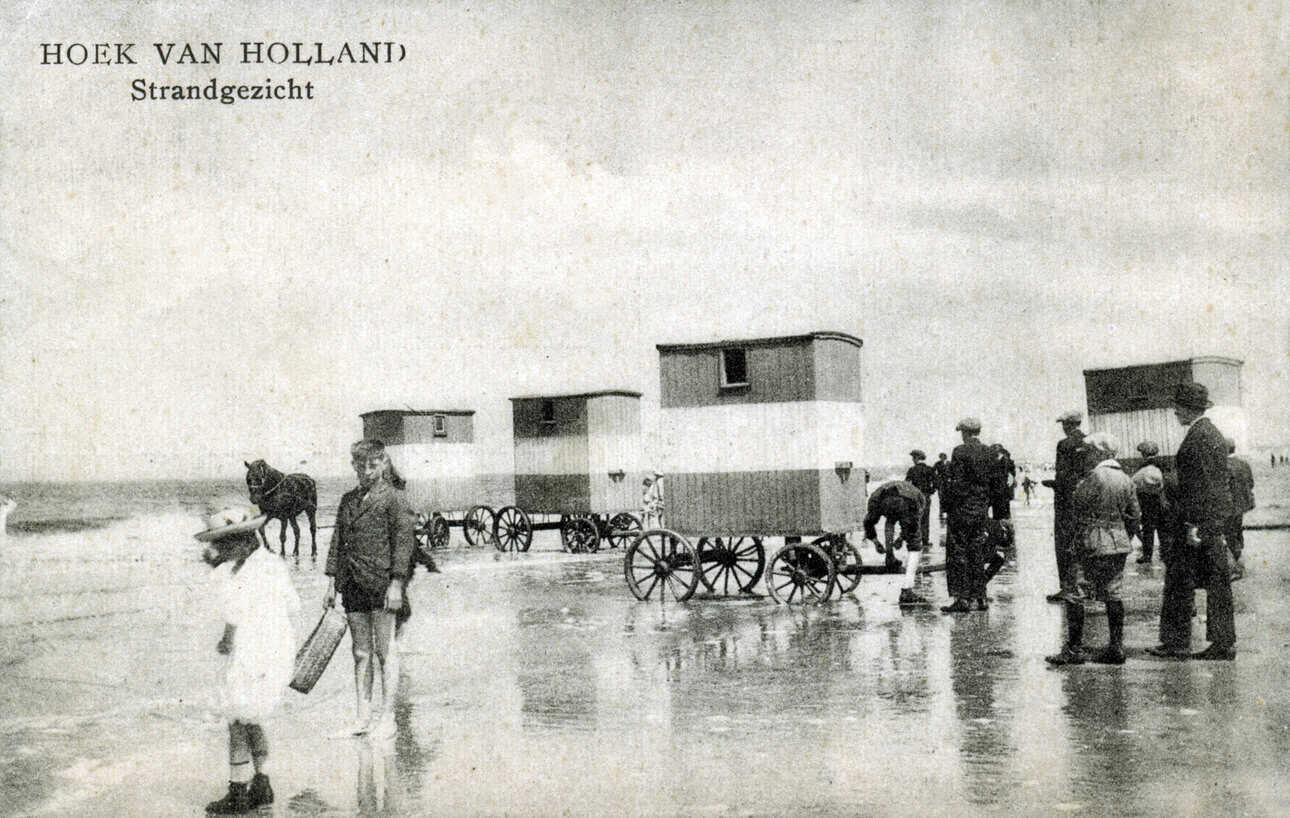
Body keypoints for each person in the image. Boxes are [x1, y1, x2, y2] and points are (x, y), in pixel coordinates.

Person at [196, 501, 300, 815]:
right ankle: (263, 782)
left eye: (221, 545)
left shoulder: (238, 573)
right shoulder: (270, 563)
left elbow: (234, 615)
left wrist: (225, 641)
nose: (218, 551)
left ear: (239, 541)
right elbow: (293, 606)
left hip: (252, 653)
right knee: (253, 718)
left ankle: (238, 790)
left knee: (237, 722)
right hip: (276, 651)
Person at [324, 439, 417, 737]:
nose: (366, 470)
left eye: (373, 464)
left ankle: (388, 718)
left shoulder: (394, 498)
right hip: (352, 584)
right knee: (360, 653)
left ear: (383, 463)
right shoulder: (347, 500)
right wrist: (331, 583)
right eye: (360, 464)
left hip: (382, 584)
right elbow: (337, 543)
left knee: (385, 652)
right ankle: (363, 718)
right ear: (353, 465)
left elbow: (403, 544)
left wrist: (396, 584)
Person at [1147, 382, 1236, 661]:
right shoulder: (1208, 433)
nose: (1175, 412)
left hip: (1196, 523)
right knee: (1214, 581)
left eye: (1177, 407)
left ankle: (1180, 642)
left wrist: (1196, 525)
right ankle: (1218, 642)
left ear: (1187, 408)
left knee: (1181, 580)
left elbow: (1205, 486)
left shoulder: (1200, 437)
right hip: (1204, 521)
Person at [1046, 433, 1140, 666]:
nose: (1085, 457)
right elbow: (1134, 515)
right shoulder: (1125, 478)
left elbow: (1077, 507)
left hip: (1090, 540)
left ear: (1100, 453)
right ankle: (1116, 648)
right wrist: (1122, 535)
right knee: (1113, 593)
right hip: (1117, 542)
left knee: (1075, 592)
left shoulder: (1094, 477)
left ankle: (1074, 649)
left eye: (1088, 453)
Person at [941, 417, 1011, 613]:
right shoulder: (990, 452)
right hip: (981, 510)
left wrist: (949, 507)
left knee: (958, 553)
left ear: (964, 432)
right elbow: (998, 486)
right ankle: (980, 598)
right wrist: (998, 515)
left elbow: (956, 483)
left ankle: (961, 599)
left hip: (962, 510)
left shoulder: (959, 451)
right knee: (977, 552)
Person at [862, 479, 930, 607]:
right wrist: (902, 538)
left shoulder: (879, 491)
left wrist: (876, 542)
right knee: (915, 545)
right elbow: (913, 523)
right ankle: (907, 589)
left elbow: (868, 522)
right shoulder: (918, 495)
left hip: (880, 498)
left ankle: (889, 556)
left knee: (890, 519)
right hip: (906, 501)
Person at [1042, 411, 1086, 603]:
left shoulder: (1065, 444)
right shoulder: (1089, 442)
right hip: (1085, 499)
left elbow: (1063, 475)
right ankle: (1085, 585)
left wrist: (1054, 485)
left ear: (1068, 425)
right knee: (1083, 540)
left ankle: (1068, 587)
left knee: (1065, 542)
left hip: (1066, 501)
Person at [1130, 441, 1165, 564]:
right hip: (1162, 501)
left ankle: (1147, 555)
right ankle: (1165, 553)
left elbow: (1133, 485)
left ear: (1143, 454)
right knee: (1163, 528)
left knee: (1148, 530)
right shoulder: (1163, 467)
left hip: (1147, 503)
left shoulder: (1141, 470)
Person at [1225, 437, 1254, 580]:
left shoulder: (1223, 465)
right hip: (1242, 505)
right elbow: (1251, 483)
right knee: (1237, 531)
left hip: (1229, 507)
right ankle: (1238, 560)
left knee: (1230, 535)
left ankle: (1238, 568)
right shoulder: (1244, 464)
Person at [904, 449, 938, 549]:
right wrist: (931, 491)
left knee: (915, 518)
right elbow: (937, 483)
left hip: (915, 497)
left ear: (917, 458)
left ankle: (915, 540)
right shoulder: (930, 469)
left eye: (913, 458)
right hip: (926, 496)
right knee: (925, 519)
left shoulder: (912, 470)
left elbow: (906, 484)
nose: (912, 460)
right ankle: (925, 541)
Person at [932, 453, 950, 522]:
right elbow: (932, 471)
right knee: (941, 497)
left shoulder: (949, 463)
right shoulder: (937, 464)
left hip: (948, 483)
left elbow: (953, 471)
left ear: (945, 457)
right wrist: (936, 478)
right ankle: (941, 512)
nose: (942, 458)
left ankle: (947, 511)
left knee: (948, 497)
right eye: (941, 457)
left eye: (943, 457)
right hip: (941, 483)